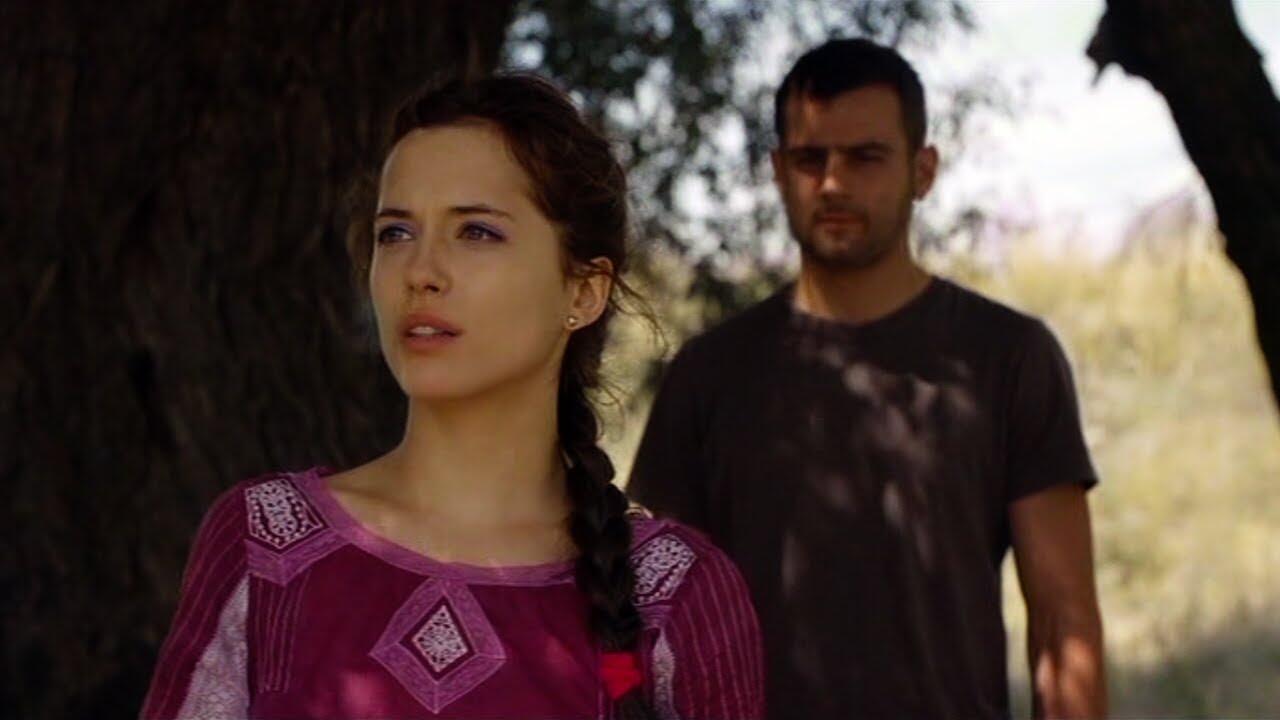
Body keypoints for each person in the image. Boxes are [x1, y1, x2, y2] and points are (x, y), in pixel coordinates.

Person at [140, 73, 764, 720]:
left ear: (583, 292)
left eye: (477, 232)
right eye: (395, 233)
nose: (421, 272)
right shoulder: (265, 547)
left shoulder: (673, 595)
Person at [628, 38, 1106, 720]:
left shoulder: (1009, 358)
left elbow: (1063, 624)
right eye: (810, 159)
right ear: (778, 171)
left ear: (923, 170)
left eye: (866, 157)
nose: (832, 183)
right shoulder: (708, 375)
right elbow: (650, 618)